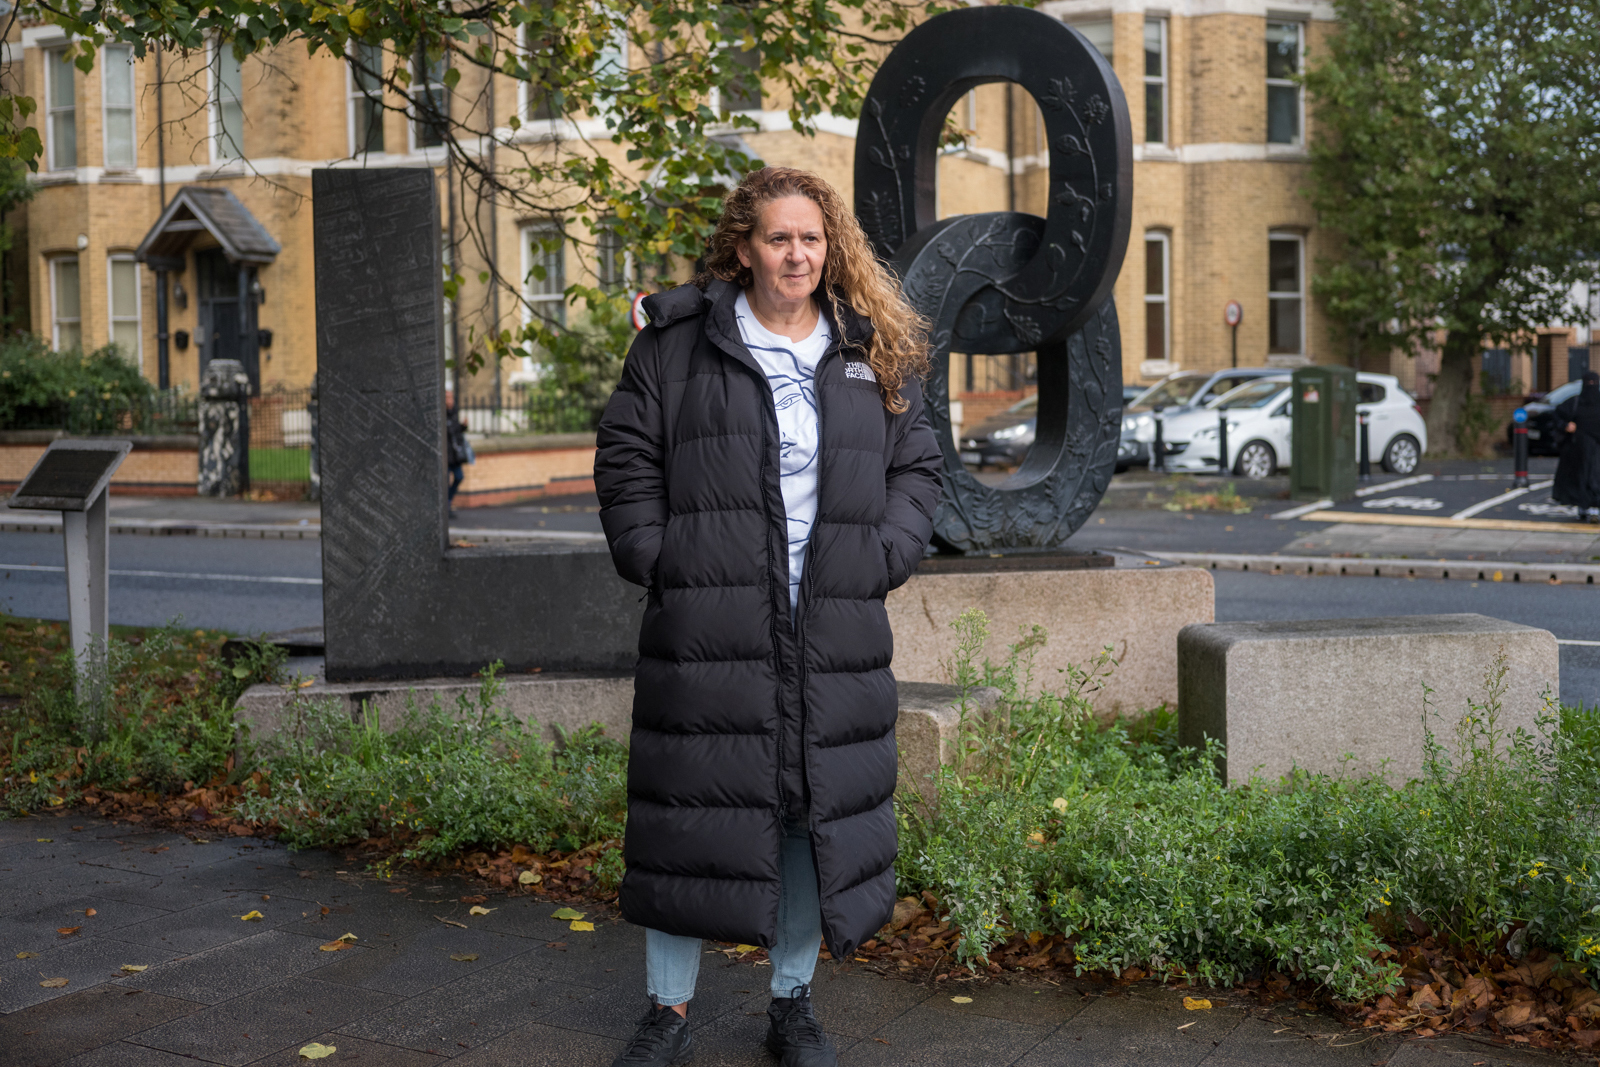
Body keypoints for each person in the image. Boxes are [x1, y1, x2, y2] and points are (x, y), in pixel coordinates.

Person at [594, 166, 943, 1067]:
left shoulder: (869, 350)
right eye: (780, 237)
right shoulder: (676, 344)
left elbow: (918, 469)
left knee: (806, 812)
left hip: (831, 630)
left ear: (832, 250)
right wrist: (659, 557)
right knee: (687, 817)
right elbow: (626, 456)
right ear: (745, 246)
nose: (798, 254)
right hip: (711, 624)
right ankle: (666, 1012)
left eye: (812, 238)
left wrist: (883, 554)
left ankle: (792, 1003)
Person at [1552, 370, 1600, 524]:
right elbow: (1557, 415)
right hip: (1579, 449)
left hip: (1595, 449)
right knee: (1583, 477)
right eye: (1589, 383)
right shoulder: (1575, 402)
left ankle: (1593, 507)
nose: (1591, 387)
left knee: (1595, 477)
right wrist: (1565, 425)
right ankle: (1584, 507)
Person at [445, 394, 473, 517]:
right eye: (447, 397)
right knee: (443, 482)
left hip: (455, 455)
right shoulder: (441, 413)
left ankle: (448, 502)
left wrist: (463, 426)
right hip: (445, 456)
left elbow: (455, 432)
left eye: (451, 397)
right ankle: (445, 507)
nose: (450, 400)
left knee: (459, 477)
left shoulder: (454, 412)